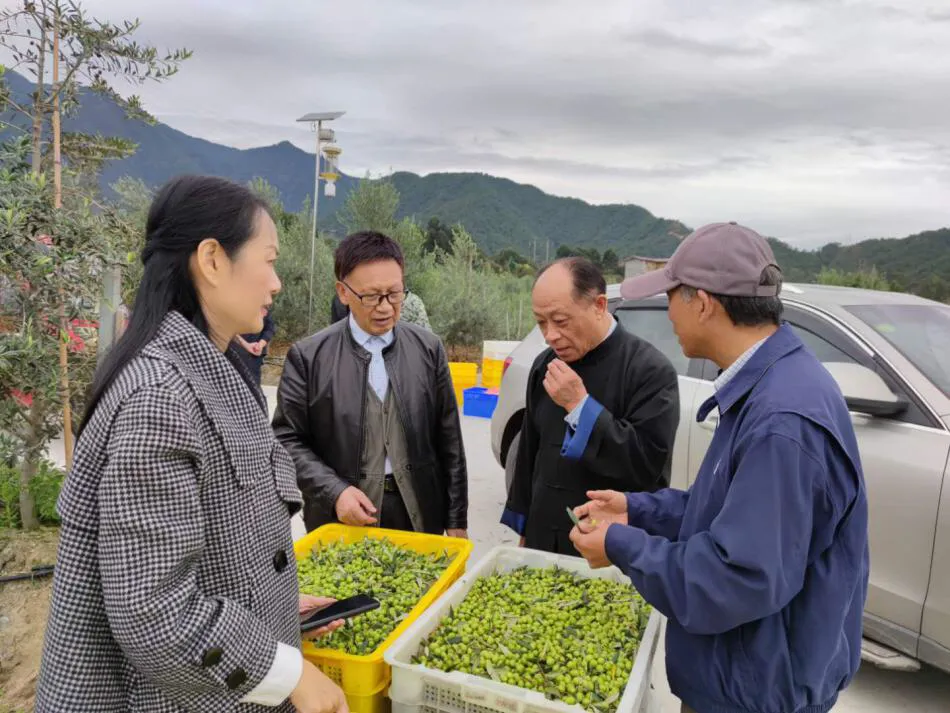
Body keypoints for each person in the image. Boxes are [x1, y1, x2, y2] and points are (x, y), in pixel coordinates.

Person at [36, 175, 348, 713]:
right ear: (211, 260)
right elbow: (153, 611)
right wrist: (288, 672)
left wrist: (272, 608)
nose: (276, 283)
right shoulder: (160, 399)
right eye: (268, 260)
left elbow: (203, 551)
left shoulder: (202, 373)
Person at [569, 223, 869, 713]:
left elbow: (734, 578)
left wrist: (620, 544)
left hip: (755, 691)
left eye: (671, 297)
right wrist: (637, 510)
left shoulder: (782, 422)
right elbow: (728, 514)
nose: (667, 312)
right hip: (747, 674)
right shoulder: (773, 382)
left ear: (703, 303)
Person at [273, 230, 468, 537]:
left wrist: (456, 519)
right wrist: (334, 491)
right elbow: (286, 439)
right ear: (343, 292)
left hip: (417, 512)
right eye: (371, 296)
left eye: (395, 294)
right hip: (341, 519)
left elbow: (449, 440)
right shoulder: (309, 357)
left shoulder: (429, 349)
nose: (386, 307)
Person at [501, 257, 679, 556]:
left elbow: (647, 467)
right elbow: (529, 455)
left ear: (599, 306)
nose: (550, 335)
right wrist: (525, 530)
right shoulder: (545, 365)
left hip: (610, 544)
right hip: (544, 538)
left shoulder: (649, 370)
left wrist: (580, 406)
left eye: (560, 321)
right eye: (541, 322)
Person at [237, 307, 276, 384]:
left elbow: (270, 328)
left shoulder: (263, 306)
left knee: (254, 385)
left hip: (254, 356)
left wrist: (260, 344)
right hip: (234, 353)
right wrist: (246, 345)